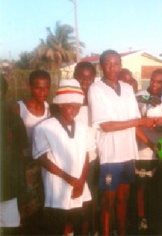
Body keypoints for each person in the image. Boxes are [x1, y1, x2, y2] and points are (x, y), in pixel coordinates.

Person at [88, 49, 156, 236]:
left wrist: (152, 145)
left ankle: (123, 232)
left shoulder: (127, 89)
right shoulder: (96, 89)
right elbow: (107, 126)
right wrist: (140, 121)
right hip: (110, 155)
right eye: (107, 64)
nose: (112, 68)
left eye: (116, 63)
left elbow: (135, 125)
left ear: (120, 65)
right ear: (101, 66)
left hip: (128, 154)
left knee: (123, 199)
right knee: (107, 203)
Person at [32, 79, 94, 235]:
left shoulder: (83, 128)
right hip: (57, 186)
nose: (74, 111)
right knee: (58, 226)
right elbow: (43, 160)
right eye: (70, 107)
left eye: (78, 107)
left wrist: (80, 181)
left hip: (79, 184)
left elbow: (87, 155)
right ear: (60, 104)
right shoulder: (44, 127)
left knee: (77, 223)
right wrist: (70, 179)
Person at [134, 68, 162, 233]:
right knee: (142, 187)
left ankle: (157, 219)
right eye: (152, 80)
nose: (154, 84)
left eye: (159, 82)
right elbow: (134, 123)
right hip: (142, 150)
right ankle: (141, 219)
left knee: (159, 188)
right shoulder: (139, 96)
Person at [11, 69, 51, 234]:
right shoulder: (18, 108)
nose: (42, 92)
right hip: (25, 163)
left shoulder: (49, 108)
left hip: (44, 162)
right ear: (29, 87)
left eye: (46, 88)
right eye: (38, 88)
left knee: (43, 201)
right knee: (26, 204)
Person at [73, 61, 99, 235]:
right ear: (75, 78)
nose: (85, 81)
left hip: (94, 157)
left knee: (92, 198)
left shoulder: (98, 101)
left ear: (94, 78)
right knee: (74, 199)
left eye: (89, 77)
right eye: (81, 77)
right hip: (73, 158)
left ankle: (90, 230)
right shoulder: (70, 102)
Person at [0, 75, 27, 235]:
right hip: (9, 183)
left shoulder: (13, 119)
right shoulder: (14, 118)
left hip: (8, 183)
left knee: (10, 225)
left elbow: (21, 149)